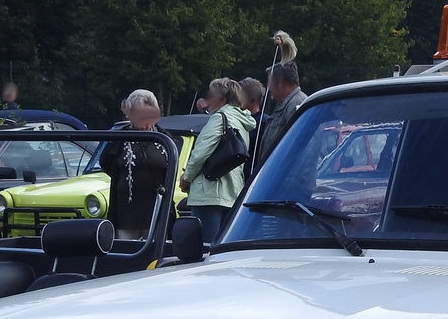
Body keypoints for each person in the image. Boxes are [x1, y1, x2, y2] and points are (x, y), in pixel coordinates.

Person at [181, 78, 255, 245]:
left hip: (209, 193)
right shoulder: (242, 121)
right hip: (233, 192)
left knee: (206, 248)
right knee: (223, 247)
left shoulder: (219, 118)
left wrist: (187, 178)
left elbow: (200, 154)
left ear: (223, 98)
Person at [97, 89, 170, 241]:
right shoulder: (118, 139)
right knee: (126, 252)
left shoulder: (165, 139)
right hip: (125, 211)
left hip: (156, 208)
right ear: (129, 114)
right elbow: (105, 162)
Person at [250, 60, 308, 176]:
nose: (268, 88)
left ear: (280, 83)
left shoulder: (297, 105)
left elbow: (300, 152)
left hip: (290, 184)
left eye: (270, 84)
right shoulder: (285, 104)